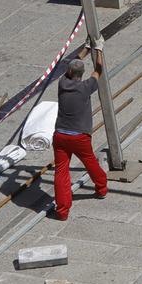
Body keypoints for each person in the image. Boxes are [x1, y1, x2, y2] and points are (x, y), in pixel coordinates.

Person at [47, 49, 108, 220]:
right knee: (90, 162)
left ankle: (62, 210)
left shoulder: (62, 84)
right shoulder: (86, 87)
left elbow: (70, 63)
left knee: (61, 172)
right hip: (79, 136)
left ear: (69, 72)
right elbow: (99, 69)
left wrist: (85, 50)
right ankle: (101, 188)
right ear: (81, 74)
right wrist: (99, 51)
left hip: (60, 135)